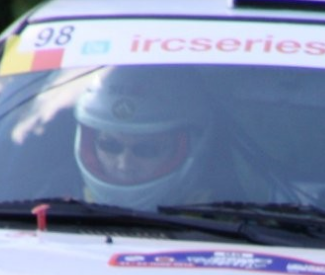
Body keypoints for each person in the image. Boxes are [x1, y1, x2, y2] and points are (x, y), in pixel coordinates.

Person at [73, 66, 218, 208]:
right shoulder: (65, 204)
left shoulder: (218, 212)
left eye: (146, 150)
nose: (124, 165)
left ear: (184, 149)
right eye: (110, 146)